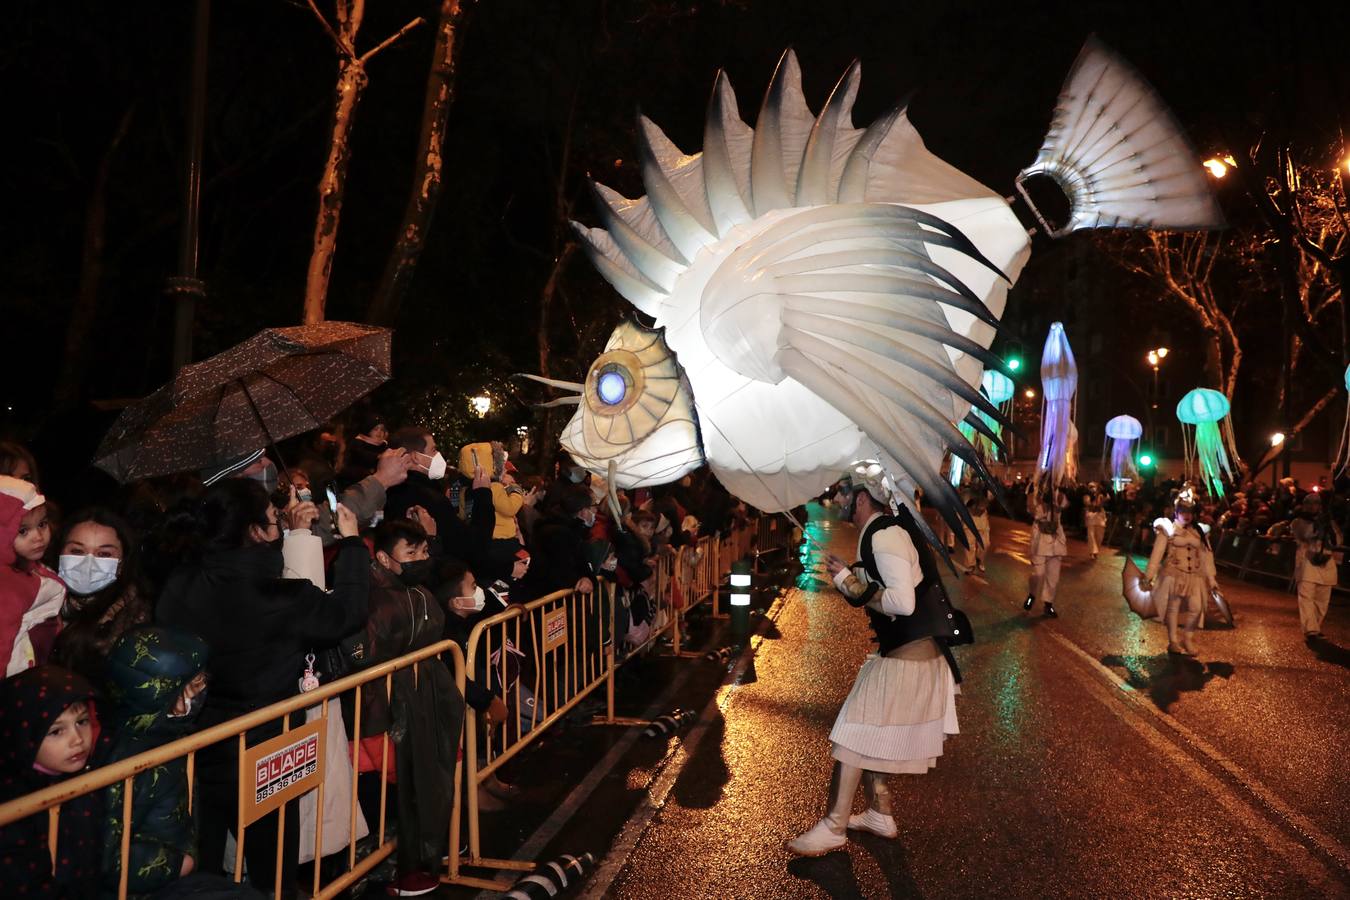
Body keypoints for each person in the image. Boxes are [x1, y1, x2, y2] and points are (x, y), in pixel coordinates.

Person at [154, 478, 370, 893]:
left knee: (204, 869)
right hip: (264, 750)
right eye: (274, 520)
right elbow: (347, 613)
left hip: (195, 747)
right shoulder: (282, 597)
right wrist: (354, 544)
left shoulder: (180, 583)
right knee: (274, 872)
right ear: (256, 531)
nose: (278, 526)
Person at [787, 464, 961, 857]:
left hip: (910, 661)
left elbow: (901, 602)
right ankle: (880, 814)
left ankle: (834, 826)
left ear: (863, 498)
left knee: (852, 733)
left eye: (846, 494)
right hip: (906, 657)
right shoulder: (878, 535)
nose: (840, 500)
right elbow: (867, 592)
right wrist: (844, 579)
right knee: (868, 735)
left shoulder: (886, 536)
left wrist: (852, 583)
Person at [348, 519, 463, 897]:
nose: (420, 559)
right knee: (393, 794)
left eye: (423, 551)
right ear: (383, 557)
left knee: (423, 783)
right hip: (386, 716)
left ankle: (423, 855)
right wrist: (374, 727)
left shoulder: (418, 592)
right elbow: (364, 666)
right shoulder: (371, 599)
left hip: (424, 704)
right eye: (409, 553)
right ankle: (397, 868)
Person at [99, 626, 209, 898]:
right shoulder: (127, 759)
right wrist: (175, 865)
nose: (196, 698)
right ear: (160, 696)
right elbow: (107, 850)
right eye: (190, 689)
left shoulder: (166, 737)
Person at [0, 666, 104, 897]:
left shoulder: (93, 773)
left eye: (82, 721)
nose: (77, 740)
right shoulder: (14, 807)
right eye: (56, 731)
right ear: (24, 736)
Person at [49, 508, 153, 689]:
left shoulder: (131, 618)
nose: (88, 563)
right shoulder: (40, 595)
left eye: (104, 554)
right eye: (77, 550)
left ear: (122, 563)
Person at [1140, 489, 1218, 656]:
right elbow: (1157, 553)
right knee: (1173, 607)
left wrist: (1211, 580)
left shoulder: (1199, 531)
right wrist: (1149, 575)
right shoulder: (1167, 529)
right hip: (1174, 573)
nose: (1187, 515)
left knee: (1197, 608)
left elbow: (1206, 556)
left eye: (1190, 511)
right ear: (1176, 512)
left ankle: (1187, 638)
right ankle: (1173, 641)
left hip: (1194, 576)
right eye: (1183, 511)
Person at [0, 475, 64, 676]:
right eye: (23, 531)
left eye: (42, 524)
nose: (38, 537)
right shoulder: (9, 584)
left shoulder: (25, 566)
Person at [1291, 493, 1341, 640]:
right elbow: (1305, 534)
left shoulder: (1328, 521)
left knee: (1322, 600)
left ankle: (1315, 627)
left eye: (1316, 503)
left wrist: (1329, 527)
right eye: (1309, 503)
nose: (1312, 506)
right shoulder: (1298, 521)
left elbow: (1337, 541)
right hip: (1307, 562)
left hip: (1326, 562)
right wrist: (1318, 526)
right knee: (1306, 598)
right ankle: (1310, 629)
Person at [1023, 482, 1067, 617]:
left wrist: (1057, 494)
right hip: (1040, 538)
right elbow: (1030, 509)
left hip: (1056, 539)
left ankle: (1048, 604)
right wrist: (1039, 497)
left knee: (1053, 576)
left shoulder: (1059, 492)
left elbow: (1063, 505)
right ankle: (1032, 593)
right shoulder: (1034, 491)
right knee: (1038, 573)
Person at [1084, 484, 1107, 560]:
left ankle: (1096, 551)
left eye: (1094, 487)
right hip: (1091, 517)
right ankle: (1092, 551)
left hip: (1099, 518)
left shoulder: (1101, 496)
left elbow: (1103, 503)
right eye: (1091, 488)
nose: (1093, 489)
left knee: (1099, 536)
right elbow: (1087, 504)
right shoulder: (1087, 496)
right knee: (1091, 535)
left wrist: (1100, 499)